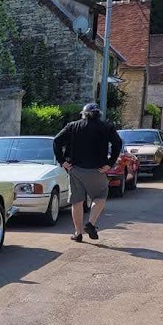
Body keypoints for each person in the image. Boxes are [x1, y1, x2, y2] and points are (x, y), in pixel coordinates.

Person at [53, 102, 123, 242]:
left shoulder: (72, 126)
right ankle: (90, 223)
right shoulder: (106, 127)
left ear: (83, 114)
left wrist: (62, 161)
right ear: (98, 114)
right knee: (100, 196)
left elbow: (57, 141)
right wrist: (109, 163)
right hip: (98, 170)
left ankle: (78, 233)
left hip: (75, 169)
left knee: (77, 201)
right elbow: (118, 143)